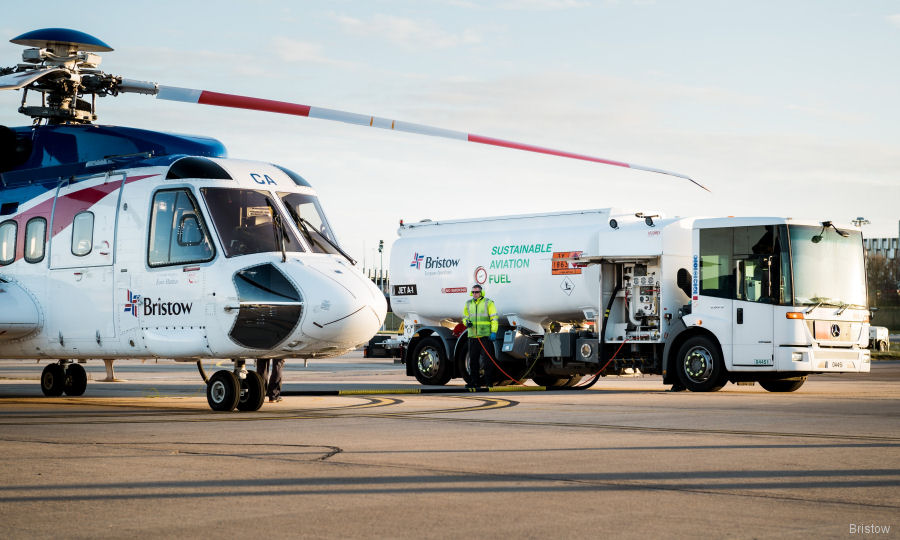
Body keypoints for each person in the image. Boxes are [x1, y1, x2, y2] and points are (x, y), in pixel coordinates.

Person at [462, 284, 499, 388]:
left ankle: (488, 382)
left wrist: (494, 332)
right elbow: (465, 317)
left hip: (485, 337)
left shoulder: (488, 303)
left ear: (481, 292)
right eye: (473, 292)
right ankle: (474, 382)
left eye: (477, 292)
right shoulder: (468, 303)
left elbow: (494, 319)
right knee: (473, 361)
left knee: (488, 361)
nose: (475, 294)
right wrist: (466, 323)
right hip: (473, 336)